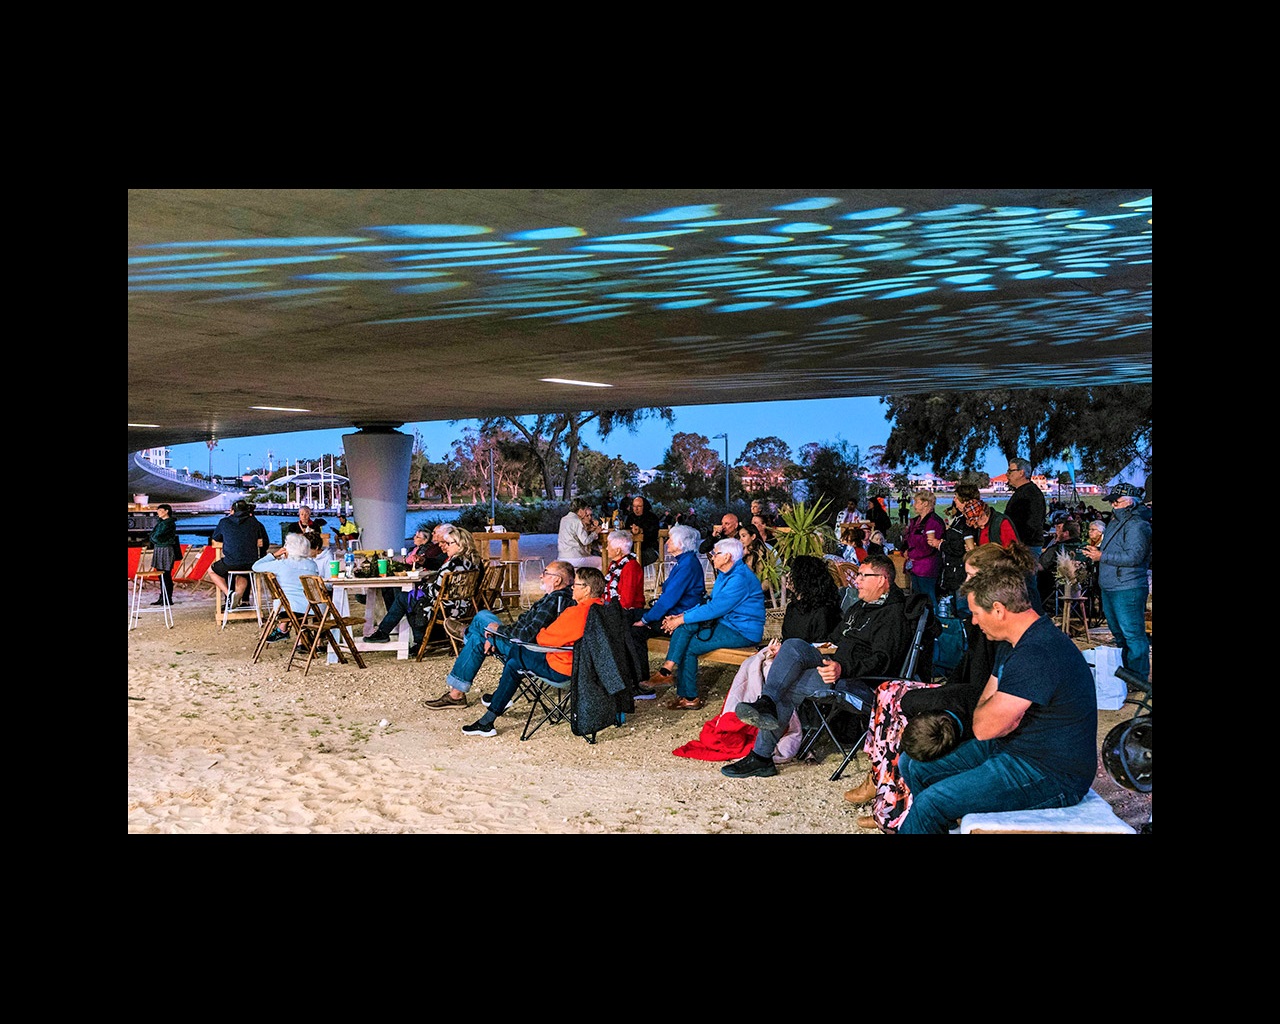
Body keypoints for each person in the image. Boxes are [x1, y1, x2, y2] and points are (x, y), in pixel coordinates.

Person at [842, 541, 1034, 830]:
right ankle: (880, 777)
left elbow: (980, 690)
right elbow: (967, 675)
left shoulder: (1000, 627)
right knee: (887, 691)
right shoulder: (985, 620)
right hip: (968, 693)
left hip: (978, 703)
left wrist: (935, 696)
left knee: (901, 705)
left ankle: (893, 804)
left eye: (971, 577)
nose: (964, 583)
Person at [895, 564, 1098, 834]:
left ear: (999, 610)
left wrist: (992, 712)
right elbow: (987, 708)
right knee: (912, 763)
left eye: (977, 613)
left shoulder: (1038, 652)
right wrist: (992, 712)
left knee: (932, 803)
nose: (975, 621)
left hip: (1051, 772)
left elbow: (984, 727)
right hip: (1012, 747)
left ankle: (930, 820)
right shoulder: (1013, 642)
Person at [724, 554, 915, 779]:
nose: (857, 581)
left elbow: (883, 661)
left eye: (864, 576)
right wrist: (793, 652)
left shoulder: (893, 615)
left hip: (858, 680)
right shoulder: (860, 608)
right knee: (793, 645)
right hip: (834, 665)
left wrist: (842, 668)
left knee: (789, 684)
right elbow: (833, 639)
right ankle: (766, 702)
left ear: (882, 580)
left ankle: (761, 756)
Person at [672, 555, 841, 763]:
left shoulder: (825, 611)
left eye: (792, 575)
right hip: (789, 656)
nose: (787, 579)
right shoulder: (794, 608)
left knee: (767, 668)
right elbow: (789, 639)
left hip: (812, 663)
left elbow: (819, 645)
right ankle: (755, 712)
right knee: (754, 663)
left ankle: (766, 717)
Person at [460, 566, 606, 737]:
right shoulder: (602, 609)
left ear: (587, 590)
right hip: (590, 670)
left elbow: (544, 639)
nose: (572, 587)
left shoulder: (577, 613)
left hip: (564, 668)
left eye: (576, 584)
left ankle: (489, 717)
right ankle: (490, 714)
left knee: (515, 656)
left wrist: (496, 637)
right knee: (513, 657)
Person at [422, 559, 577, 710]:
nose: (540, 576)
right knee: (483, 623)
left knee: (481, 624)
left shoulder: (554, 602)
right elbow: (524, 626)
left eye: (545, 572)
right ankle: (457, 690)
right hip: (524, 643)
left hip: (527, 650)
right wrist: (495, 633)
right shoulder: (559, 598)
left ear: (557, 580)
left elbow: (527, 635)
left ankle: (466, 636)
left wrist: (497, 632)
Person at [646, 537, 766, 711]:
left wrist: (680, 618)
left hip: (742, 631)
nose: (712, 557)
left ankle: (688, 696)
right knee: (685, 626)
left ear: (727, 556)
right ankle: (667, 671)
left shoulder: (739, 578)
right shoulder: (727, 574)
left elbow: (715, 608)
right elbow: (709, 603)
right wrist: (682, 616)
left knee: (689, 646)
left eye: (716, 554)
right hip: (726, 623)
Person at [1081, 482, 1151, 685]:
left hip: (1127, 586)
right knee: (1120, 635)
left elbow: (1135, 556)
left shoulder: (1138, 525)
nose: (1112, 505)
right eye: (1111, 501)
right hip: (1112, 586)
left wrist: (1102, 555)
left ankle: (1138, 679)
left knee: (1133, 635)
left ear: (1130, 502)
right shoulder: (1115, 521)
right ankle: (1127, 676)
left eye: (1116, 501)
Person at [632, 524, 706, 697]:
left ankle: (644, 682)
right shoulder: (686, 561)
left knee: (635, 629)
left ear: (680, 543)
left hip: (679, 618)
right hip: (675, 614)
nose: (667, 543)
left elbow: (668, 599)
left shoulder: (687, 565)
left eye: (671, 539)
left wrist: (646, 620)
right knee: (632, 618)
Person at [399, 524, 483, 655]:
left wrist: (423, 587)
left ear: (459, 545)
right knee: (408, 598)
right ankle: (387, 633)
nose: (444, 547)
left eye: (448, 543)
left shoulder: (451, 565)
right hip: (465, 605)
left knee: (405, 598)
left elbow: (437, 592)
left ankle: (420, 642)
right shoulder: (472, 562)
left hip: (447, 608)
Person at [363, 528, 442, 643]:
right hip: (436, 593)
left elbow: (433, 566)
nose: (414, 538)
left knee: (403, 597)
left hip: (433, 596)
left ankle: (386, 631)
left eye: (447, 543)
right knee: (391, 591)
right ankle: (391, 624)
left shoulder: (435, 551)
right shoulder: (442, 555)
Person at [253, 531, 322, 643]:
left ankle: (285, 631)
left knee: (293, 605)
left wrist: (274, 555)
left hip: (285, 608)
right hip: (311, 608)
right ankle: (302, 640)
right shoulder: (312, 564)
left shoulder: (281, 564)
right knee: (298, 603)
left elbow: (256, 566)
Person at [209, 499, 270, 605]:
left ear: (232, 510)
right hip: (251, 563)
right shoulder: (254, 522)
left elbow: (216, 538)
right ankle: (241, 600)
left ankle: (229, 595)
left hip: (231, 562)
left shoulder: (224, 522)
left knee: (212, 570)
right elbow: (262, 541)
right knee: (244, 573)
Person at [902, 490, 946, 614]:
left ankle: (936, 623)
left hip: (927, 567)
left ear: (925, 504)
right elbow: (908, 539)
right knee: (917, 598)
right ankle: (920, 623)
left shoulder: (934, 522)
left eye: (917, 502)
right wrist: (904, 550)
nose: (914, 505)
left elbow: (929, 547)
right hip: (915, 566)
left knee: (929, 597)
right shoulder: (915, 521)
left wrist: (911, 554)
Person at [1004, 456, 1047, 557]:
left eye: (1010, 471)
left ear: (1021, 473)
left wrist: (1020, 543)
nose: (1007, 475)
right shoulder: (1023, 492)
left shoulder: (1031, 493)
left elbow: (1033, 522)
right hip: (1021, 545)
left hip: (1027, 546)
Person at [147, 503, 182, 605]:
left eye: (160, 510)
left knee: (165, 574)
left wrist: (153, 538)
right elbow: (154, 535)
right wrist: (154, 537)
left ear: (166, 511)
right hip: (160, 548)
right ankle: (163, 597)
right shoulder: (162, 522)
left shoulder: (168, 523)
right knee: (161, 574)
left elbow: (156, 535)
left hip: (166, 548)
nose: (158, 513)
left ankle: (168, 598)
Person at [603, 530, 645, 613]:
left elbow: (626, 601)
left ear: (618, 550)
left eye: (608, 545)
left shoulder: (631, 566)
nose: (607, 548)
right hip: (611, 605)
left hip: (626, 611)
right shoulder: (614, 564)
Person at [558, 498, 602, 568]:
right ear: (581, 510)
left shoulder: (563, 519)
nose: (585, 514)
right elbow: (585, 541)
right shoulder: (577, 521)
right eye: (585, 511)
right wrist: (596, 532)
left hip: (562, 557)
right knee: (601, 561)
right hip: (575, 558)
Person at [624, 495, 661, 567]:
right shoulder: (630, 517)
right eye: (634, 506)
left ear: (644, 506)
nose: (636, 509)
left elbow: (652, 534)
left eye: (639, 506)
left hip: (650, 549)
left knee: (636, 559)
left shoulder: (652, 518)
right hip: (632, 549)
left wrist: (641, 531)